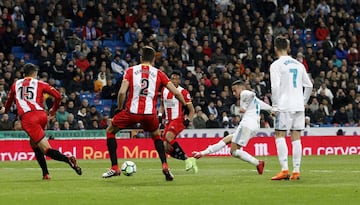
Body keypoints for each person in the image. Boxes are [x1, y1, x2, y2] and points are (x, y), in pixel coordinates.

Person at [102, 46, 187, 181]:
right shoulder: (159, 73)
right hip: (150, 113)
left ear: (141, 58)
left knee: (110, 131)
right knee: (156, 137)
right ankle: (165, 166)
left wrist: (119, 107)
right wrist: (186, 105)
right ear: (153, 59)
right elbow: (176, 92)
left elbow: (122, 92)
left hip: (132, 112)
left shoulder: (130, 71)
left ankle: (115, 167)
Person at [1, 63, 82, 180]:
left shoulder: (15, 84)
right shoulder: (40, 83)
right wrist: (53, 111)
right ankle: (45, 174)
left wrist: (3, 110)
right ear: (35, 73)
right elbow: (58, 96)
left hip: (29, 118)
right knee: (34, 143)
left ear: (24, 74)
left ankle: (68, 159)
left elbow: (7, 107)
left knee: (45, 149)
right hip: (42, 115)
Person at [192, 80, 271, 175]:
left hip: (247, 124)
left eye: (235, 90)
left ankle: (258, 163)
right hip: (254, 126)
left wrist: (244, 107)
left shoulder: (244, 93)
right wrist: (273, 110)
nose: (234, 93)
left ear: (241, 88)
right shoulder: (254, 101)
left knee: (233, 151)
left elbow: (251, 94)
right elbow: (265, 106)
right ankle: (202, 153)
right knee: (227, 139)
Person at [269, 36, 313, 180]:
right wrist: (303, 101)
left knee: (280, 135)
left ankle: (284, 169)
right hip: (298, 106)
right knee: (296, 137)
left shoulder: (276, 65)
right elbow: (309, 85)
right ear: (288, 48)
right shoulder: (298, 64)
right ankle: (296, 171)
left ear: (275, 48)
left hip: (284, 105)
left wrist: (275, 106)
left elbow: (275, 87)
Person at [159, 70, 198, 173]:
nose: (174, 80)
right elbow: (162, 106)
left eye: (176, 79)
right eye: (172, 78)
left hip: (178, 119)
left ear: (179, 80)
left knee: (168, 137)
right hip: (168, 121)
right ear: (170, 80)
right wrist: (159, 116)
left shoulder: (183, 92)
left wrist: (188, 120)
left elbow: (192, 109)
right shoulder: (164, 90)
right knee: (165, 147)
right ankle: (189, 160)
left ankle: (186, 159)